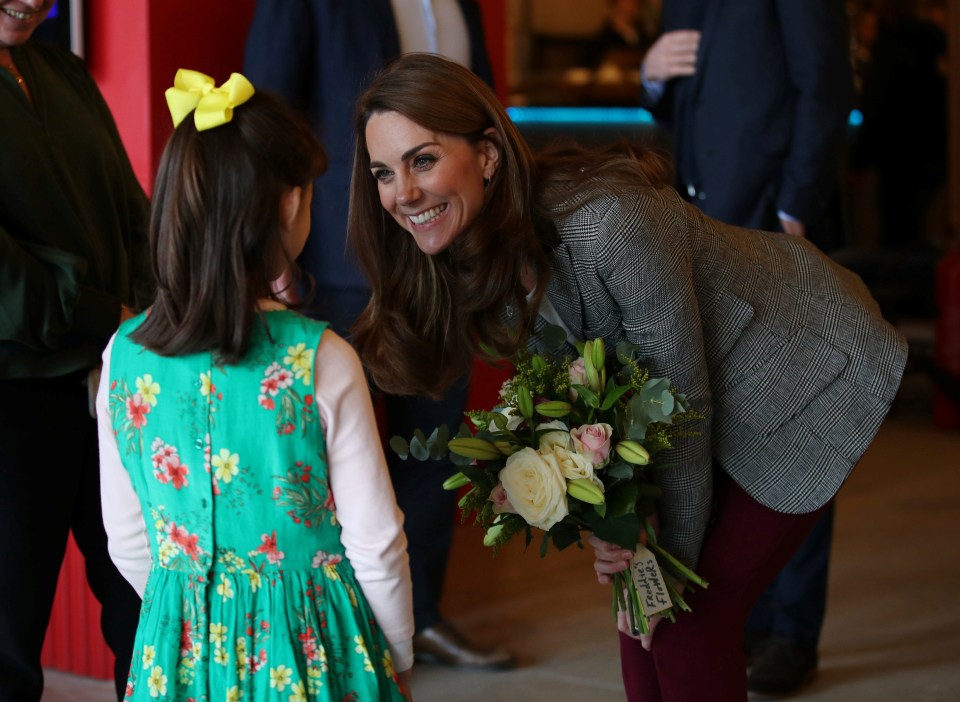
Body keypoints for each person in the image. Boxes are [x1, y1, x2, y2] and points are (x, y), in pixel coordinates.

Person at [344, 53, 908, 701]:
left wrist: (664, 554)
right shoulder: (470, 249)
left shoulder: (611, 221)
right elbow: (581, 397)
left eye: (422, 159)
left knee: (688, 613)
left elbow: (683, 400)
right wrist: (616, 526)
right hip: (689, 398)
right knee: (640, 609)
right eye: (384, 172)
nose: (401, 193)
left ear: (490, 153)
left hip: (804, 367)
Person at [95, 70, 414, 701]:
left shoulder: (122, 356)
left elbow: (129, 539)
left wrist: (188, 611)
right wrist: (396, 651)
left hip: (178, 651)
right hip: (314, 648)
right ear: (290, 203)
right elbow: (375, 542)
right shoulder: (322, 358)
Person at [242, 0, 513, 670]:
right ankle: (330, 633)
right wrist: (270, 254)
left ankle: (419, 618)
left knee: (436, 446)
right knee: (325, 455)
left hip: (444, 251)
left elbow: (484, 111)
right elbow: (265, 116)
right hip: (334, 258)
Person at [640, 2, 854, 692]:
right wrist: (650, 77)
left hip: (773, 234)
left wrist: (795, 208)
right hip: (704, 235)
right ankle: (751, 616)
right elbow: (686, 113)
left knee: (796, 429)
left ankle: (793, 632)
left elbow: (826, 84)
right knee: (728, 433)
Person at [0, 1, 147, 699]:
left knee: (147, 607)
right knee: (7, 640)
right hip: (13, 399)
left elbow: (132, 213)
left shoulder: (59, 69)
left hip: (111, 377)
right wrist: (105, 314)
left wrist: (157, 310)